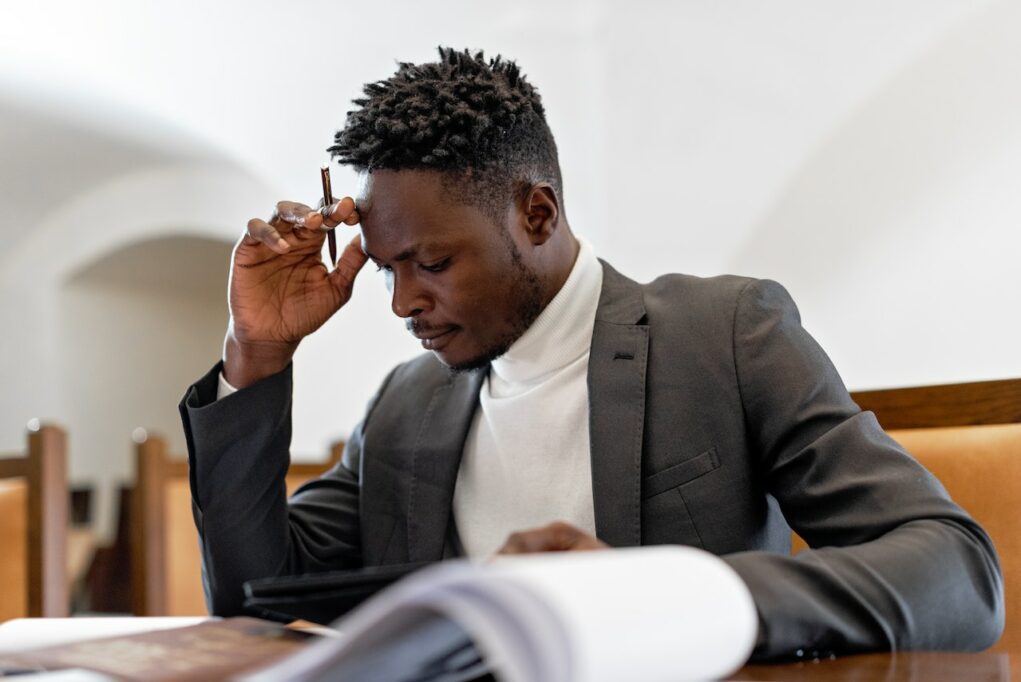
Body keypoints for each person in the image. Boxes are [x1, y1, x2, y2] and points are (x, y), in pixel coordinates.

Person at [180, 47, 1003, 661]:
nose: (402, 304)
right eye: (390, 270)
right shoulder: (404, 406)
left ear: (536, 213)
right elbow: (253, 599)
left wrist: (670, 598)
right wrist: (258, 352)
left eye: (431, 265)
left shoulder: (724, 336)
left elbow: (956, 571)